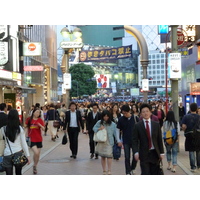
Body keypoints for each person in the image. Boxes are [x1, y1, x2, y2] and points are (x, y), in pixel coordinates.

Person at [132, 103, 164, 175]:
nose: (145, 113)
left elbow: (159, 139)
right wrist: (136, 152)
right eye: (143, 112)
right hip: (144, 153)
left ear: (150, 112)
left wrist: (162, 152)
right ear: (141, 114)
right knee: (145, 172)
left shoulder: (156, 125)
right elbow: (134, 140)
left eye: (147, 111)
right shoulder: (137, 126)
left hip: (154, 153)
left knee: (154, 173)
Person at [0, 109, 30, 175]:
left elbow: (1, 141)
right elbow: (24, 143)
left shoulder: (3, 129)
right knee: (18, 173)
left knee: (8, 174)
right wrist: (28, 155)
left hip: (7, 153)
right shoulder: (20, 129)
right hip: (18, 153)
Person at [93, 110, 122, 175]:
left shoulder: (113, 124)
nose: (105, 118)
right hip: (102, 141)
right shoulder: (99, 122)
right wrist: (99, 129)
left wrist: (118, 141)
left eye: (107, 116)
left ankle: (109, 170)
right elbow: (94, 128)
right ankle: (104, 170)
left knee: (109, 156)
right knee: (103, 156)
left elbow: (115, 133)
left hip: (109, 142)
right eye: (104, 116)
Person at [117, 104, 138, 175]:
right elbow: (118, 130)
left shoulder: (135, 118)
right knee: (127, 157)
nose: (125, 115)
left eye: (126, 113)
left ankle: (133, 168)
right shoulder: (121, 119)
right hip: (126, 140)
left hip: (135, 141)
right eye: (123, 113)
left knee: (136, 155)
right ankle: (128, 171)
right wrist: (118, 140)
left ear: (129, 111)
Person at [25, 108, 45, 174]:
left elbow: (44, 129)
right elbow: (25, 126)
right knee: (36, 152)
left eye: (39, 113)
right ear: (33, 112)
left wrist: (40, 125)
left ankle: (35, 165)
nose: (38, 114)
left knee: (38, 154)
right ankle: (34, 165)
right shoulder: (29, 119)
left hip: (39, 139)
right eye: (36, 112)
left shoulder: (40, 120)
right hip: (31, 139)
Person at [182, 103, 200, 172]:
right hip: (198, 135)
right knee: (198, 151)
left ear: (190, 109)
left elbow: (183, 126)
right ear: (197, 109)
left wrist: (185, 130)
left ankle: (193, 167)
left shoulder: (186, 117)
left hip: (189, 135)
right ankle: (199, 165)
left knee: (191, 151)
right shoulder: (199, 117)